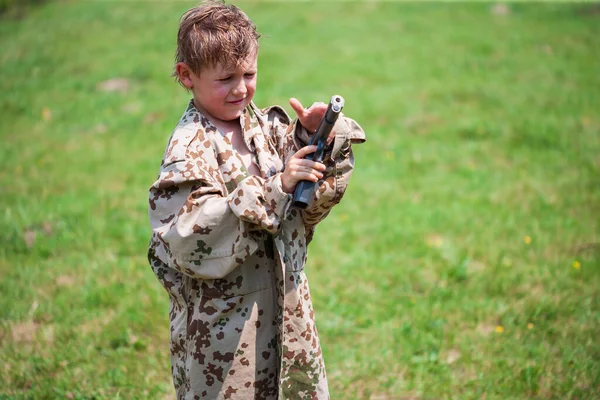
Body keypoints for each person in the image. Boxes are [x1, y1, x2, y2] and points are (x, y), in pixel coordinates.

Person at [147, 1, 365, 399]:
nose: (241, 88)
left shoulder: (263, 125)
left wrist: (314, 139)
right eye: (226, 78)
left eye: (249, 74)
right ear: (186, 76)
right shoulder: (188, 150)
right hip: (225, 340)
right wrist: (273, 190)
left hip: (287, 316)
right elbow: (192, 239)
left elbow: (309, 200)